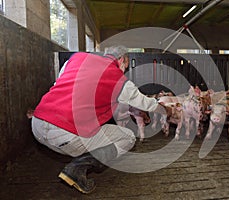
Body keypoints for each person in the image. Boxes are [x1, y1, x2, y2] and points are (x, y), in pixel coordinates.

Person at [31, 46, 171, 194]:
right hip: (66, 135)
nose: (124, 70)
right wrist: (165, 109)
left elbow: (58, 83)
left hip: (37, 124)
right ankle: (78, 167)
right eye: (126, 66)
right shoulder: (118, 78)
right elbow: (143, 102)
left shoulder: (76, 58)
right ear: (122, 60)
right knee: (128, 138)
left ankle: (77, 161)